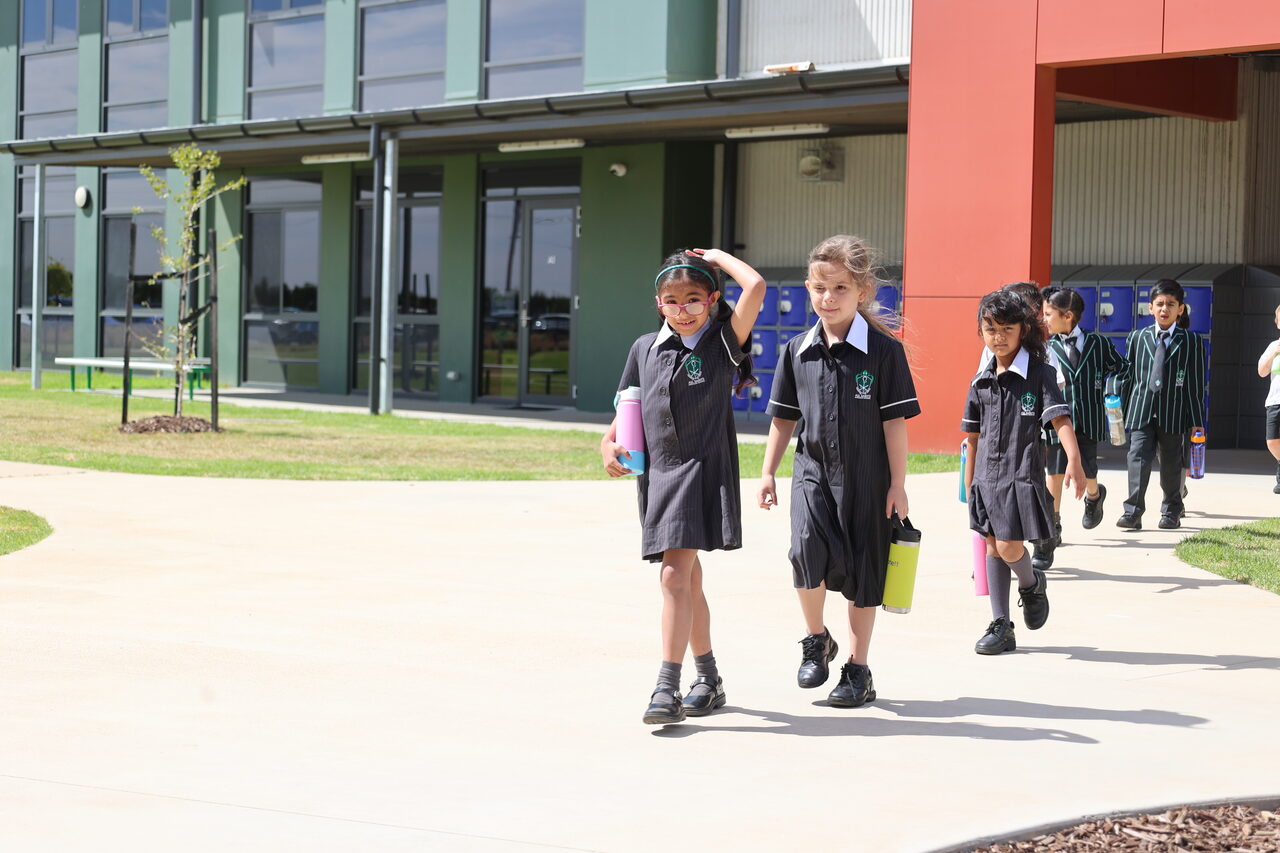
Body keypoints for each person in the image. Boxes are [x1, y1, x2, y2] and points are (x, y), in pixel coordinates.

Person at [601, 247, 766, 725]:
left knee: (673, 576)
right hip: (658, 473)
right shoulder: (643, 348)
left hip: (700, 468)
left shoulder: (721, 341)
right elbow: (628, 408)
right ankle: (709, 679)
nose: (683, 310)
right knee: (688, 580)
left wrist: (715, 256)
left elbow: (755, 287)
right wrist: (607, 443)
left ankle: (666, 687)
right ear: (659, 304)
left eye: (694, 299)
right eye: (671, 302)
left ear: (712, 299)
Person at [758, 235, 920, 707]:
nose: (827, 298)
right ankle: (816, 640)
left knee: (864, 570)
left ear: (863, 290)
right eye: (819, 288)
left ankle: (857, 669)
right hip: (811, 473)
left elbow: (894, 424)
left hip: (867, 481)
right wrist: (768, 472)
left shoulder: (884, 352)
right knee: (804, 550)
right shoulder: (796, 351)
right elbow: (783, 418)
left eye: (840, 288)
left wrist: (897, 484)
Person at [962, 289, 1085, 656]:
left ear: (1023, 330)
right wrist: (970, 484)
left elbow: (1059, 419)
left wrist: (1074, 460)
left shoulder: (1040, 374)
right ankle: (1001, 624)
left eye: (1007, 329)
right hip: (986, 478)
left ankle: (1031, 583)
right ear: (981, 332)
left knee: (1007, 545)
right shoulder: (980, 381)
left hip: (1020, 475)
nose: (998, 337)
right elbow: (972, 438)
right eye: (991, 329)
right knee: (991, 545)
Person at [976, 281, 1065, 570]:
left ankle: (1045, 534)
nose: (1000, 334)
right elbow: (980, 387)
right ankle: (994, 555)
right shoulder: (993, 347)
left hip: (1031, 431)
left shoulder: (1042, 352)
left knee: (1033, 487)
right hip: (997, 438)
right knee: (995, 501)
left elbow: (1057, 384)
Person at [1113, 280, 1207, 531]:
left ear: (1181, 309)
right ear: (1151, 308)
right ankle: (1132, 512)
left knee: (1171, 464)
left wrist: (1197, 422)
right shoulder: (1137, 338)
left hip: (1174, 413)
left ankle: (1171, 510)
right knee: (1137, 459)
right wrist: (1119, 411)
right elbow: (1128, 377)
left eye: (1171, 304)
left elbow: (1195, 386)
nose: (1165, 309)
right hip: (1141, 410)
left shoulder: (1192, 342)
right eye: (1160, 304)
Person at [1042, 287, 1126, 536]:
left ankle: (1094, 497)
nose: (1044, 320)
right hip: (1057, 420)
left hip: (1089, 417)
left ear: (1067, 316)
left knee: (1088, 468)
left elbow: (1122, 368)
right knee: (1055, 471)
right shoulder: (1046, 349)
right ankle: (1053, 524)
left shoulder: (1098, 343)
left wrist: (1111, 390)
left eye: (1048, 314)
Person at [1257, 303, 1280, 494]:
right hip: (1275, 401)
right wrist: (1274, 353)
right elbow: (1262, 372)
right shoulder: (1273, 346)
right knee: (1272, 441)